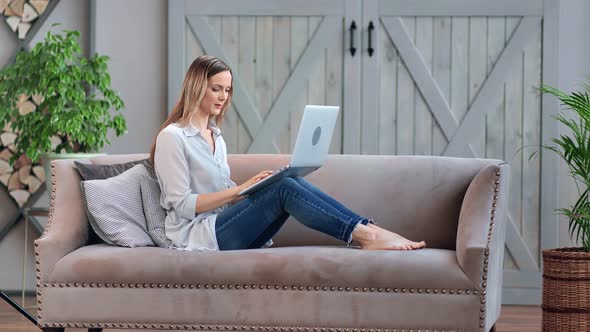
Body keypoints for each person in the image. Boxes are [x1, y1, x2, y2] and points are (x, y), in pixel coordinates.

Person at [150, 55, 426, 252]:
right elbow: (182, 204)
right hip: (199, 237)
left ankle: (368, 229)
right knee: (284, 188)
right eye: (216, 89)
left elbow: (221, 194)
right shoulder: (172, 138)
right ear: (197, 87)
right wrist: (238, 192)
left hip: (223, 226)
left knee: (286, 181)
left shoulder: (216, 137)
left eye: (227, 90)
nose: (223, 97)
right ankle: (365, 234)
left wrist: (252, 189)